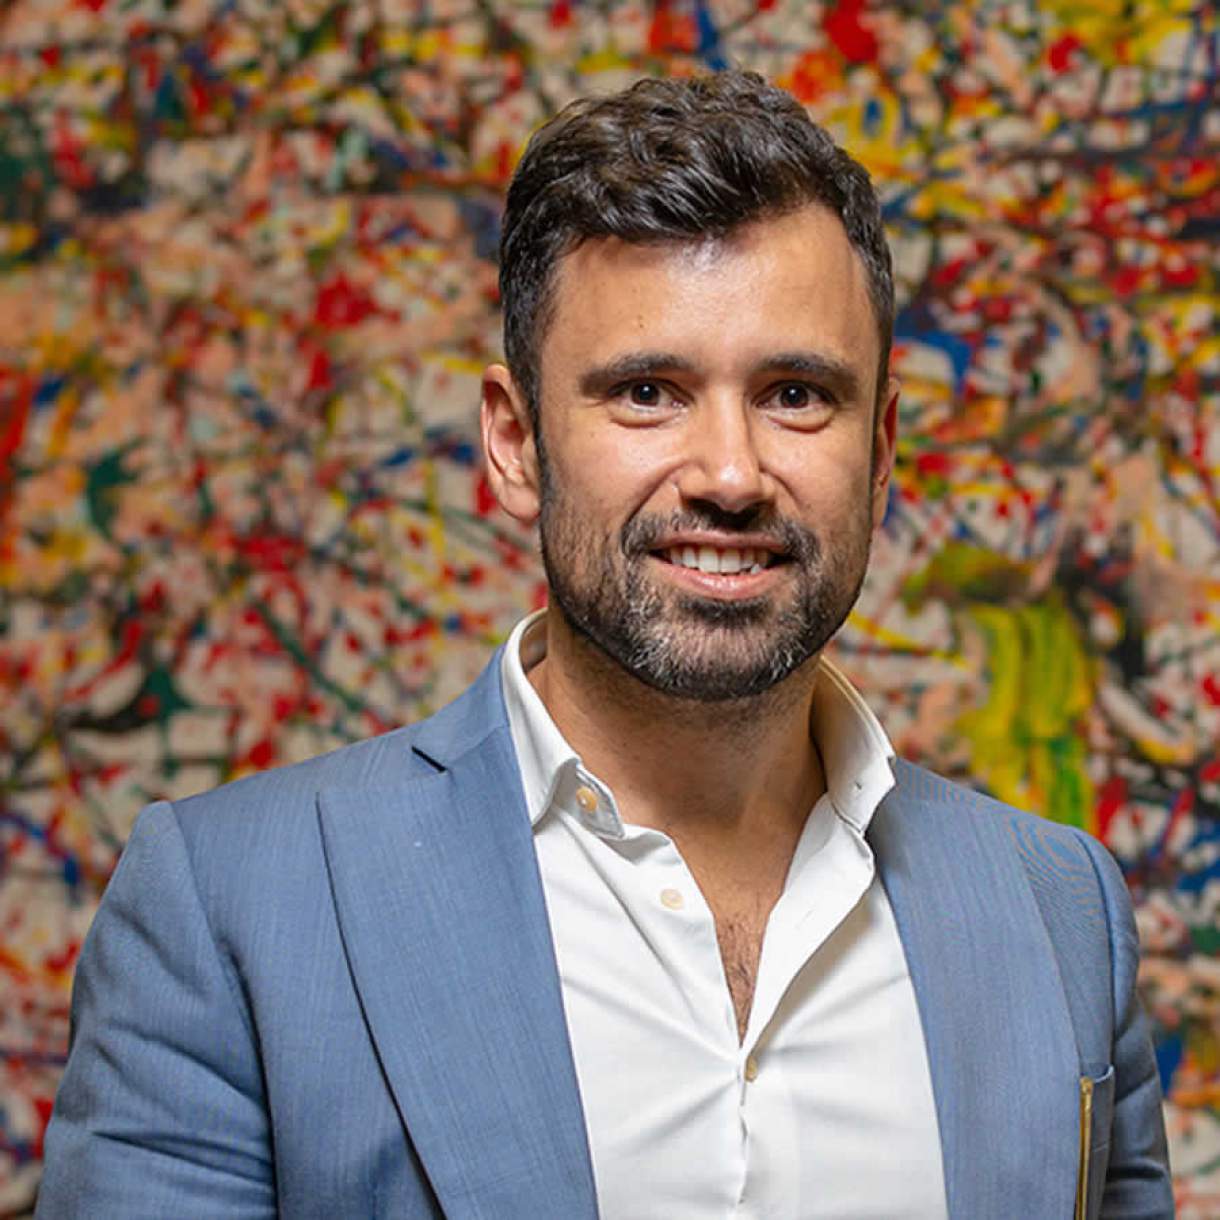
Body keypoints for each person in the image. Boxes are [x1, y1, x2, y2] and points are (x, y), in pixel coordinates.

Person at [38, 71, 1172, 1220]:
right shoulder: (227, 906)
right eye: (645, 390)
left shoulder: (1060, 908)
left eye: (793, 393)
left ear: (879, 449)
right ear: (514, 440)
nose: (728, 472)